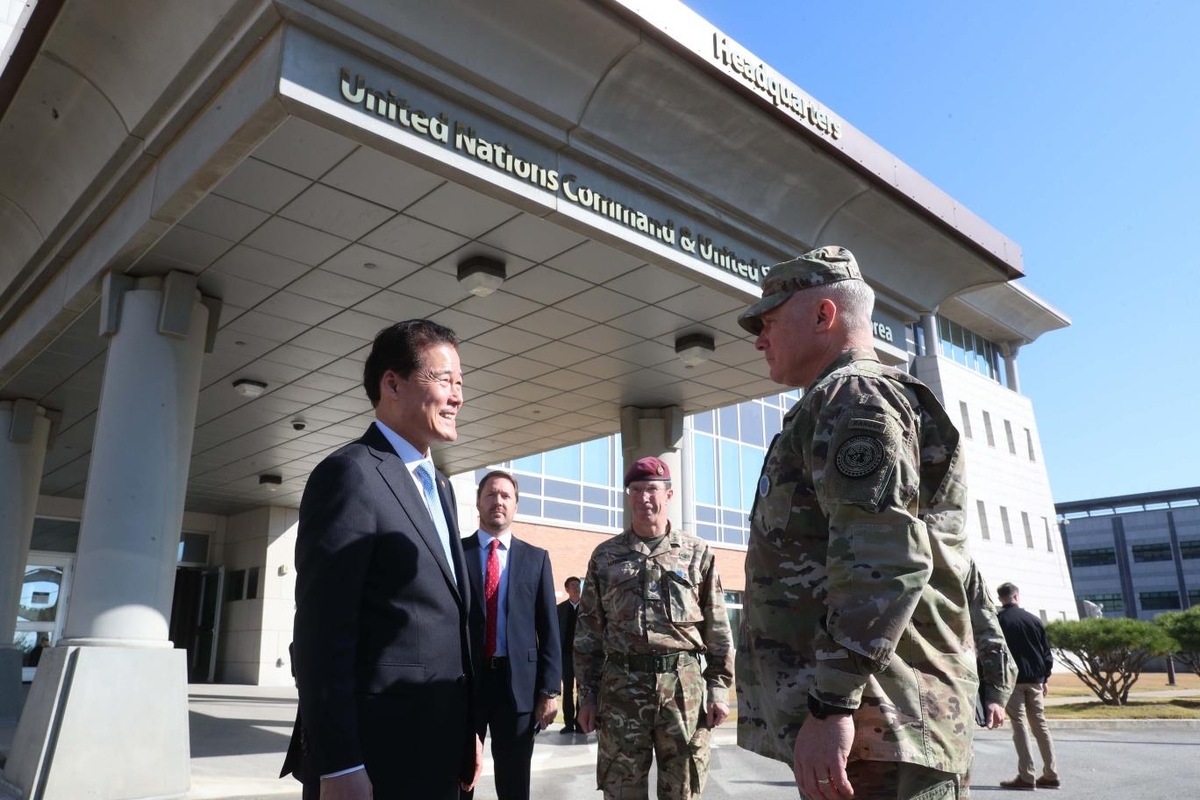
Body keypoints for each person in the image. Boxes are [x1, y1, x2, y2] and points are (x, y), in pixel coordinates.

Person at [736, 245, 999, 800]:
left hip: (881, 728)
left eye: (769, 321)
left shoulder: (855, 398)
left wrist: (831, 704)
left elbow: (883, 560)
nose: (759, 339)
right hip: (874, 727)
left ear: (823, 316)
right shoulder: (833, 402)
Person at [282, 319, 481, 800]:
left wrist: (469, 729)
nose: (456, 396)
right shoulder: (349, 476)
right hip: (375, 760)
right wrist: (339, 763)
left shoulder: (443, 488)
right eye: (443, 380)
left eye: (460, 383)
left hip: (440, 749)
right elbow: (322, 634)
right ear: (392, 383)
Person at [574, 456, 734, 800]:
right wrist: (586, 695)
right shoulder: (605, 556)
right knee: (621, 790)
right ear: (628, 495)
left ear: (669, 494)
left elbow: (718, 629)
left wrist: (719, 688)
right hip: (620, 692)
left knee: (683, 790)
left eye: (652, 489)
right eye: (636, 490)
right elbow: (588, 635)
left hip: (683, 691)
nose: (644, 498)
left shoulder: (697, 553)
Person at [461, 470, 562, 800]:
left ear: (516, 505)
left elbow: (548, 631)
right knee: (460, 777)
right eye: (490, 495)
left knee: (514, 782)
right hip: (465, 684)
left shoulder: (536, 559)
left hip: (517, 687)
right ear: (478, 502)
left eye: (505, 496)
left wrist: (549, 690)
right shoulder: (455, 554)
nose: (498, 501)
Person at [996, 582, 1059, 791]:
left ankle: (1027, 775)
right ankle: (1050, 774)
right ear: (1017, 596)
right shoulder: (1034, 620)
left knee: (1020, 726)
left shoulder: (999, 621)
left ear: (1000, 598)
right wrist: (1045, 678)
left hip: (1013, 681)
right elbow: (1045, 652)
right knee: (1040, 725)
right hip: (1035, 681)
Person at [557, 576, 583, 734]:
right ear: (566, 589)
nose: (576, 588)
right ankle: (568, 723)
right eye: (572, 586)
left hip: (582, 656)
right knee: (567, 689)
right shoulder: (560, 609)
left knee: (582, 690)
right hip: (566, 656)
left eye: (578, 585)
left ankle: (580, 723)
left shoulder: (587, 608)